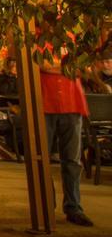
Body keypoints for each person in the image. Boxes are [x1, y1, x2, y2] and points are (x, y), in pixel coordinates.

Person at [39, 52, 94, 226]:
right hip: (44, 102)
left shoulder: (74, 40)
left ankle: (74, 207)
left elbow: (86, 69)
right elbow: (41, 64)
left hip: (72, 102)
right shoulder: (37, 37)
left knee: (73, 160)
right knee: (42, 158)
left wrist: (56, 67)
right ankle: (46, 206)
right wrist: (69, 68)